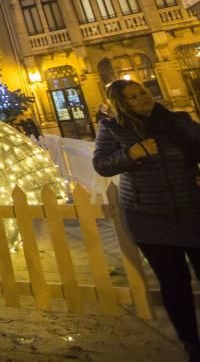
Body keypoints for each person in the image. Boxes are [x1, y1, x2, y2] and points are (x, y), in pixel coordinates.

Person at [93, 80, 200, 361]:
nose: (141, 97)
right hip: (148, 217)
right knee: (174, 282)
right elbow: (101, 164)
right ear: (121, 104)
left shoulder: (177, 121)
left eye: (141, 92)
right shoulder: (113, 128)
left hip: (192, 210)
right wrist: (131, 153)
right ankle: (191, 342)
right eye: (132, 97)